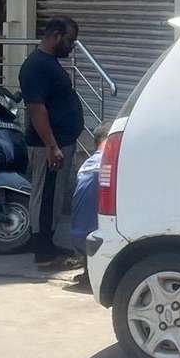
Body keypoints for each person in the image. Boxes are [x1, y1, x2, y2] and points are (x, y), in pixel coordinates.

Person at [19, 16, 84, 268]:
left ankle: (47, 245)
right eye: (70, 40)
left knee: (54, 197)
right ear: (56, 35)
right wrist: (52, 145)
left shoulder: (48, 63)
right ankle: (44, 254)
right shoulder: (36, 66)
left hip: (58, 142)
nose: (71, 46)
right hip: (48, 145)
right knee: (46, 196)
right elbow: (37, 108)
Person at [69, 121, 111, 289]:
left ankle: (88, 273)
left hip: (77, 237)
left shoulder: (86, 165)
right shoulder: (110, 164)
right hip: (98, 237)